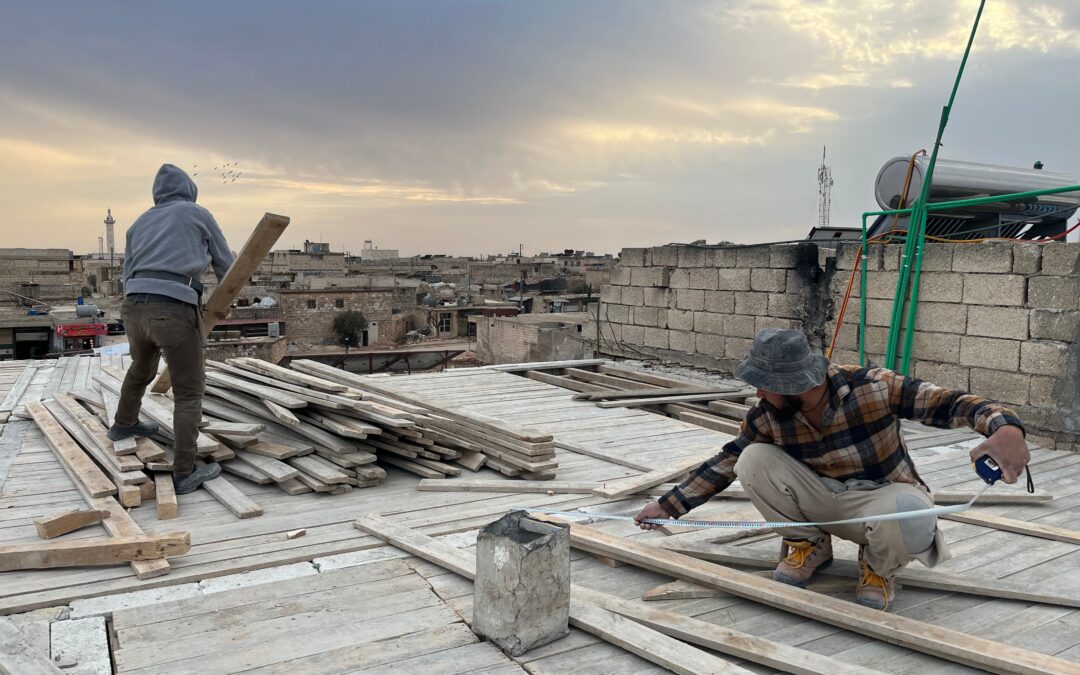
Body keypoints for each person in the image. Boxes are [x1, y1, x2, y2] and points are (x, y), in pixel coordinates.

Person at [635, 328, 1030, 610]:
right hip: (822, 501)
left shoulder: (874, 388)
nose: (758, 393)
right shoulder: (768, 415)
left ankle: (878, 570)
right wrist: (669, 506)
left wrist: (1005, 428)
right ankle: (810, 547)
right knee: (752, 458)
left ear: (795, 383)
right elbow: (725, 462)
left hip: (881, 499)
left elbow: (952, 404)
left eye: (764, 384)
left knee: (912, 516)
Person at [107, 164, 235, 495]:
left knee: (141, 367)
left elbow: (126, 271)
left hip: (134, 307)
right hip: (174, 309)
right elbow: (225, 263)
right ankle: (184, 471)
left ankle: (123, 424)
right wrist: (230, 298)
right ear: (190, 190)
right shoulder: (197, 214)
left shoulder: (138, 223)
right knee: (188, 391)